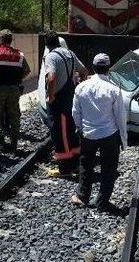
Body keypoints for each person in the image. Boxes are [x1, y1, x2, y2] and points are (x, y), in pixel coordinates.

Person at [71, 53, 128, 212]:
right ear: (108, 68)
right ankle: (102, 202)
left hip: (88, 134)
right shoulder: (114, 90)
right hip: (109, 135)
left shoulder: (81, 87)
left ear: (93, 67)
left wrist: (80, 128)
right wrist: (123, 140)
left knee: (86, 165)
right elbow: (120, 116)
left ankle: (82, 196)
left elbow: (76, 112)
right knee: (109, 169)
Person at [44, 31, 88, 175]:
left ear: (47, 44)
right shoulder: (70, 54)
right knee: (70, 129)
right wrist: (80, 86)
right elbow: (84, 71)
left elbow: (51, 78)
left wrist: (50, 96)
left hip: (58, 100)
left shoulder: (51, 56)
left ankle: (65, 167)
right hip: (70, 97)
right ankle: (76, 162)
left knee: (59, 132)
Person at [0, 29, 31, 151]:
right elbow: (27, 71)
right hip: (14, 88)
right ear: (11, 40)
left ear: (0, 39)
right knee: (14, 115)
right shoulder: (19, 55)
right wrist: (17, 79)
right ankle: (14, 142)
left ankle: (0, 140)